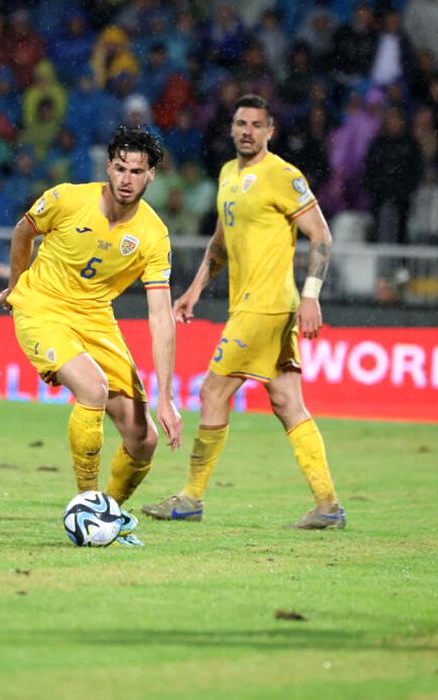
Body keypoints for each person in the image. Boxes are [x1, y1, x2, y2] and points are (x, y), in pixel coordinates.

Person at [141, 94, 345, 530]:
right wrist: (195, 289)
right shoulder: (227, 174)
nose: (247, 131)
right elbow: (221, 240)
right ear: (231, 128)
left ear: (270, 131)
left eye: (256, 124)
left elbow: (321, 235)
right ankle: (328, 505)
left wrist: (311, 294)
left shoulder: (283, 175)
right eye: (240, 123)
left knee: (213, 392)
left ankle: (191, 497)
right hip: (254, 306)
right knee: (287, 402)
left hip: (267, 306)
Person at [0, 125, 183, 545]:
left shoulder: (153, 235)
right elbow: (23, 231)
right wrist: (15, 286)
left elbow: (161, 316)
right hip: (42, 306)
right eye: (120, 168)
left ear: (151, 174)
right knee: (93, 388)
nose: (126, 179)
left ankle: (108, 518)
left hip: (96, 318)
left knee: (144, 440)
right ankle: (87, 505)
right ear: (108, 167)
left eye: (137, 171)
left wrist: (166, 396)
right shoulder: (67, 198)